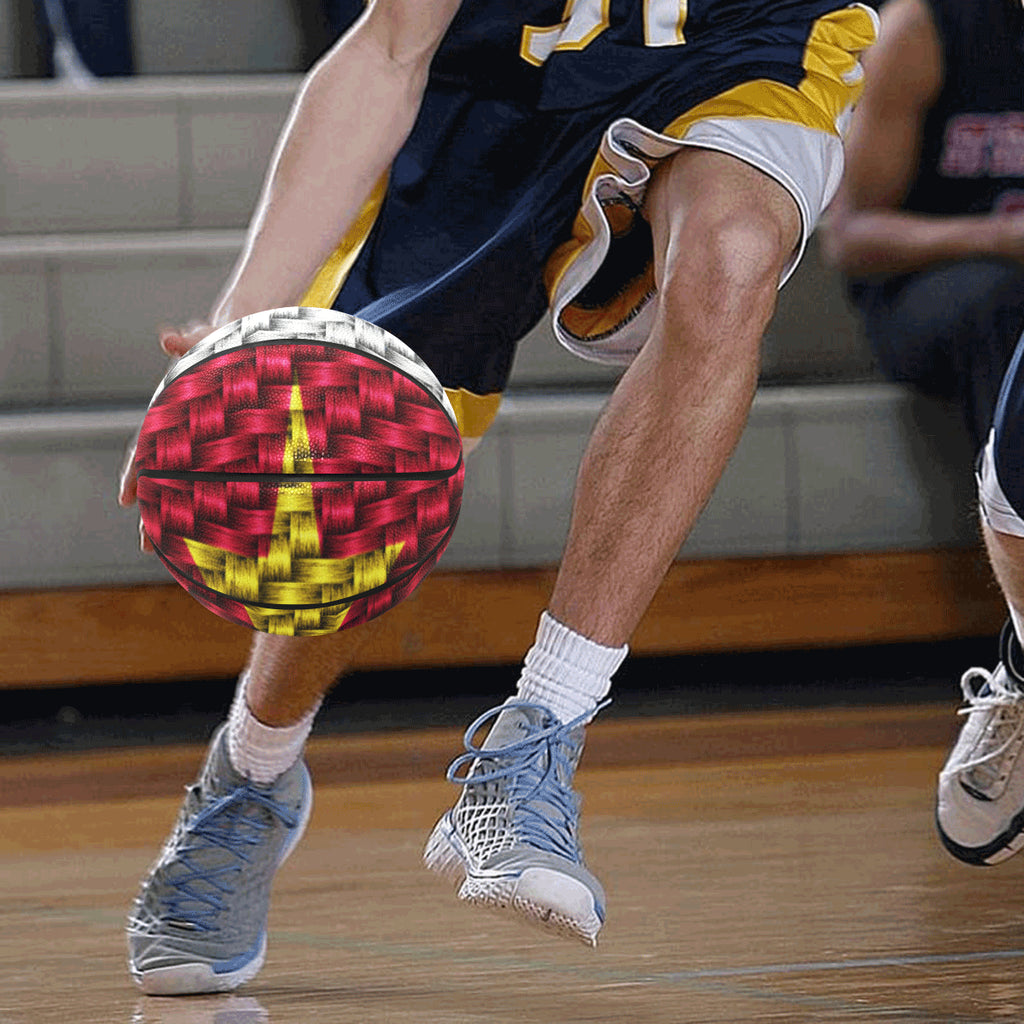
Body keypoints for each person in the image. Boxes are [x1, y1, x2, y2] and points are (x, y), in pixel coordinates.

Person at [118, 0, 878, 996]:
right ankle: (250, 774)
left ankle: (535, 746)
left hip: (740, 48)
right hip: (491, 90)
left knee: (731, 259)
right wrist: (236, 324)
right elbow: (391, 45)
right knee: (360, 453)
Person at [820, 0, 1024, 869]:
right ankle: (1015, 660)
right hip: (931, 290)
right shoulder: (928, 29)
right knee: (1002, 302)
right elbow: (851, 235)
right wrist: (1001, 236)